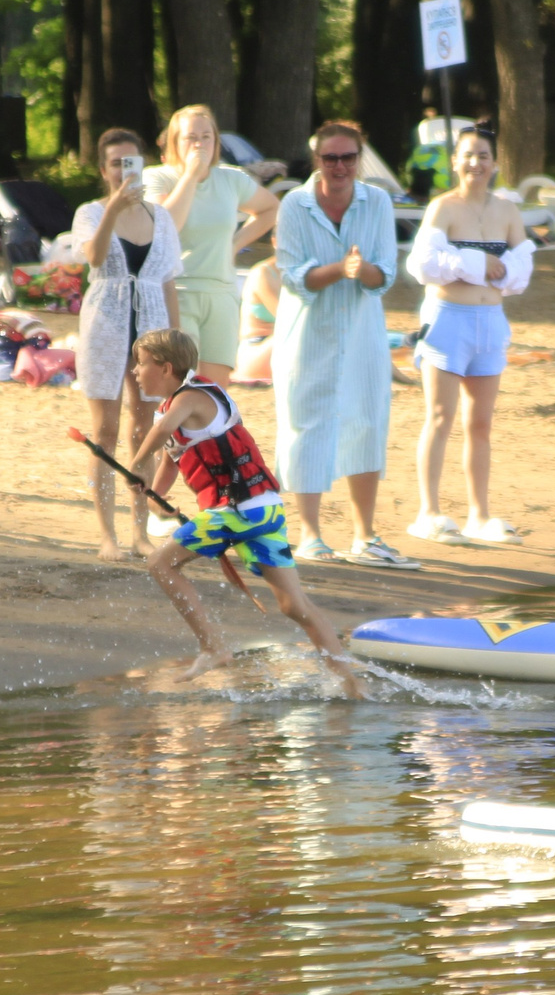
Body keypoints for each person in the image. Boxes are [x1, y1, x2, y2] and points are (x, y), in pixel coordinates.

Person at [128, 328, 359, 693]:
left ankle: (213, 647)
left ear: (166, 367)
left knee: (160, 563)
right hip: (264, 510)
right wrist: (152, 491)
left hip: (238, 512)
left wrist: (136, 463)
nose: (135, 372)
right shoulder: (176, 408)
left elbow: (162, 430)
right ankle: (352, 685)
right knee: (294, 606)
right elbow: (172, 461)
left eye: (140, 364)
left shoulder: (190, 398)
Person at [271, 121, 415, 568]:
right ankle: (310, 534)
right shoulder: (294, 204)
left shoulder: (377, 202)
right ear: (317, 160)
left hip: (361, 332)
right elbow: (294, 276)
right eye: (330, 158)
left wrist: (361, 269)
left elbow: (385, 273)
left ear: (360, 158)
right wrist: (339, 268)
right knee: (305, 424)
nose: (339, 166)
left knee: (367, 421)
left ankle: (365, 534)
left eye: (348, 158)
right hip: (307, 331)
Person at [404, 125, 534, 546]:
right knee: (440, 417)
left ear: (494, 163)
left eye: (483, 155)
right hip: (448, 321)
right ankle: (429, 511)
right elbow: (424, 265)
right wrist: (476, 262)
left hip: (490, 324)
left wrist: (496, 269)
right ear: (454, 162)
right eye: (467, 155)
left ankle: (479, 514)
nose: (475, 163)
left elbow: (521, 270)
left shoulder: (507, 211)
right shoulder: (443, 207)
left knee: (480, 423)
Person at [72, 128, 183, 558]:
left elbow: (169, 280)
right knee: (106, 430)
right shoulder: (90, 211)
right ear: (103, 169)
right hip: (106, 325)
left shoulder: (162, 217)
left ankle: (139, 532)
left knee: (146, 431)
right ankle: (107, 535)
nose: (123, 170)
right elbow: (94, 258)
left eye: (130, 161)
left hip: (152, 329)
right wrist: (113, 210)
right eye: (115, 163)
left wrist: (176, 343)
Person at [144, 104, 279, 384]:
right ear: (175, 142)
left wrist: (236, 242)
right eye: (190, 138)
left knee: (216, 389)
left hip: (222, 292)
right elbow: (166, 227)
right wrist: (191, 175)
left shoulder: (231, 179)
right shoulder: (157, 177)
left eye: (207, 137)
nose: (199, 144)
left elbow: (271, 208)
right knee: (181, 383)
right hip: (178, 291)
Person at [235, 256, 283, 385]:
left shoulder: (299, 273)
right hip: (256, 349)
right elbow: (286, 321)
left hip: (276, 346)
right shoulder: (262, 273)